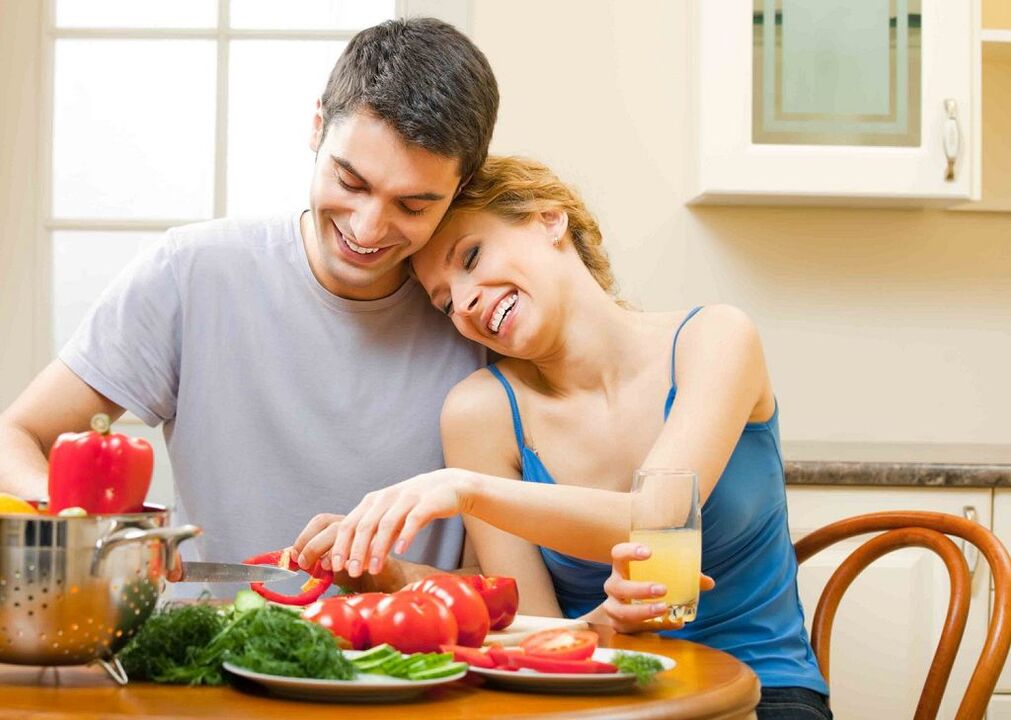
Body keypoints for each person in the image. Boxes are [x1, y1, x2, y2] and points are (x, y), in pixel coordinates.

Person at [292, 156, 832, 719]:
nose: (466, 301)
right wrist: (395, 575)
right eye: (446, 301)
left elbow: (657, 519)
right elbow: (542, 634)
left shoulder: (715, 338)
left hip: (762, 692)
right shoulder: (481, 412)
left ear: (550, 219)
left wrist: (466, 489)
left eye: (471, 257)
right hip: (596, 697)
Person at [0, 18, 499, 593]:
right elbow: (19, 435)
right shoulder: (191, 271)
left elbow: (508, 577)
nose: (368, 228)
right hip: (206, 657)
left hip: (406, 660)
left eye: (413, 206)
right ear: (317, 127)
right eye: (351, 181)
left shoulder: (477, 316)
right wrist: (90, 536)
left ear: (459, 190)